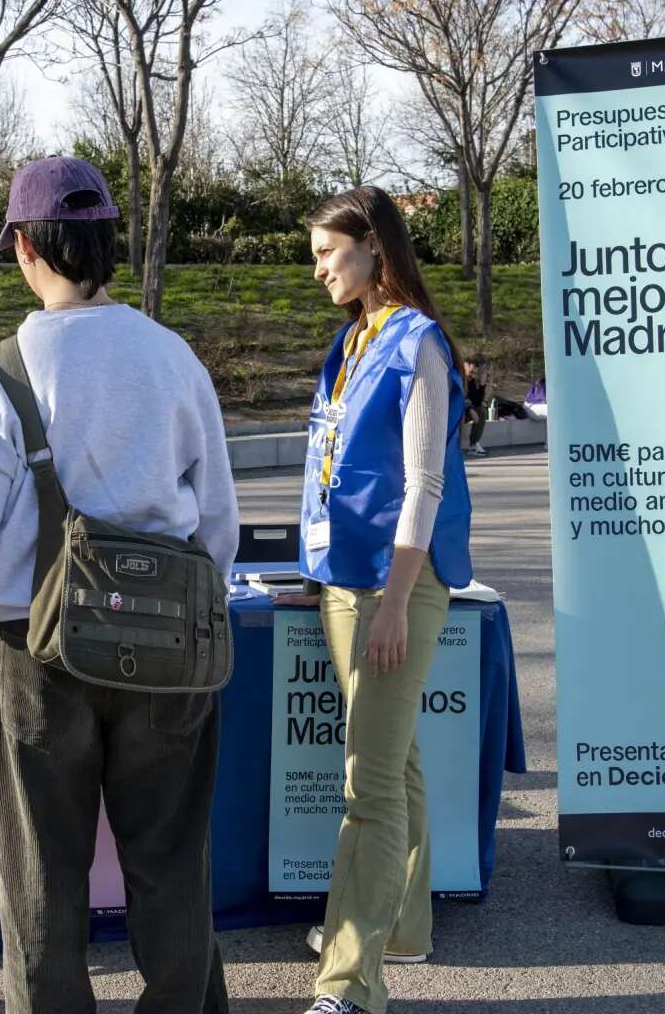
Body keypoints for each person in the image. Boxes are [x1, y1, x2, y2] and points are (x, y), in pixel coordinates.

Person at [0, 156, 240, 1014]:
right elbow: (216, 523)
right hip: (170, 650)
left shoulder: (1, 373)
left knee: (41, 878)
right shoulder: (173, 358)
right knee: (172, 863)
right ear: (107, 245)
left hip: (37, 651)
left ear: (24, 246)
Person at [290, 186, 474, 1014]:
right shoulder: (352, 340)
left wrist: (397, 602)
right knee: (393, 760)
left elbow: (424, 483)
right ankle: (400, 926)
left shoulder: (417, 344)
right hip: (345, 577)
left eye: (329, 253)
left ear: (374, 248)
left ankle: (350, 982)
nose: (320, 269)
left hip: (396, 583)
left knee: (368, 781)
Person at [459, 359, 489, 457]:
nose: (471, 373)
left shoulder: (471, 381)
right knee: (465, 413)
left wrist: (482, 385)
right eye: (470, 370)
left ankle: (473, 444)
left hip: (466, 409)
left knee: (481, 411)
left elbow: (477, 401)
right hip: (455, 410)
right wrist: (469, 408)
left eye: (473, 371)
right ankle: (454, 447)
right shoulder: (458, 379)